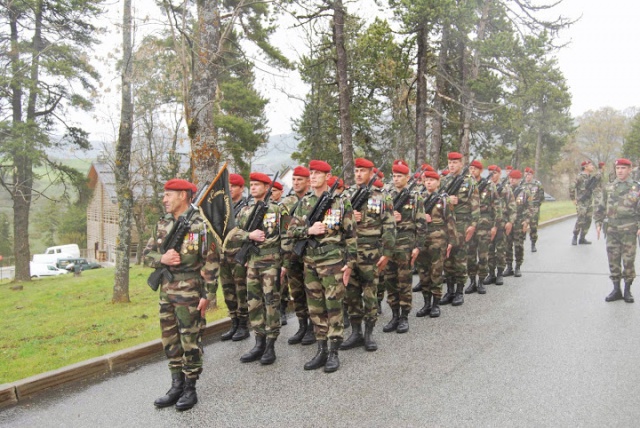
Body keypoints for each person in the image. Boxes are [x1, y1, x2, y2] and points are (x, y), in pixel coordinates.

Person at [144, 178, 219, 411]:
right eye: (164, 194)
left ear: (183, 196)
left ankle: (190, 387)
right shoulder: (163, 223)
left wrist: (208, 295)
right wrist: (161, 259)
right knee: (170, 339)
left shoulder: (200, 226)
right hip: (166, 290)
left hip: (190, 290)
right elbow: (147, 254)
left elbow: (211, 262)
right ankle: (175, 384)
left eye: (169, 195)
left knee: (190, 339)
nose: (164, 199)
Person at [287, 160, 357, 372]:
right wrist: (309, 231)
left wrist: (350, 263)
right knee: (316, 307)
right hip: (310, 262)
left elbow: (351, 235)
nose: (314, 176)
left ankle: (334, 352)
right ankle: (321, 350)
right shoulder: (303, 203)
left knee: (333, 305)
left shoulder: (341, 202)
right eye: (312, 173)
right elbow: (291, 231)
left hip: (333, 262)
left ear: (328, 177)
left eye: (318, 174)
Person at [225, 172, 289, 365]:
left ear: (266, 187)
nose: (252, 188)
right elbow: (234, 234)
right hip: (252, 263)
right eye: (251, 184)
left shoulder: (279, 209)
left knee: (271, 303)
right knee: (254, 304)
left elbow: (287, 236)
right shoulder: (245, 210)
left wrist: (285, 264)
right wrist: (249, 236)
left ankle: (270, 345)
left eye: (256, 185)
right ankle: (258, 342)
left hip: (271, 262)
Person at [341, 158, 395, 352]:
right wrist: (348, 218)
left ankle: (369, 333)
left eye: (362, 171)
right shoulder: (345, 195)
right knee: (351, 294)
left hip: (371, 251)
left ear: (371, 173)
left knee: (370, 293)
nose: (358, 174)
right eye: (356, 171)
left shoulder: (382, 197)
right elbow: (333, 222)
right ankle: (355, 332)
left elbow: (389, 225)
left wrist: (387, 252)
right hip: (350, 251)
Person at [382, 160, 426, 333]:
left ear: (407, 177)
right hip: (389, 246)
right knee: (390, 282)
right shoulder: (386, 196)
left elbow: (422, 223)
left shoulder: (415, 197)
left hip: (406, 245)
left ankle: (404, 317)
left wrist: (418, 246)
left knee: (404, 282)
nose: (396, 179)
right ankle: (394, 315)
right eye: (394, 176)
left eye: (400, 176)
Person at [595, 158, 640, 303]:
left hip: (629, 229)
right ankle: (616, 289)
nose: (620, 171)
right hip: (612, 230)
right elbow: (601, 206)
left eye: (623, 168)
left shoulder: (636, 187)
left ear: (629, 169)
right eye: (618, 168)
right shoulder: (608, 187)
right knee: (613, 260)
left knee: (628, 260)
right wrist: (598, 222)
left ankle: (627, 290)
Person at [280, 166, 315, 345]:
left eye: (300, 180)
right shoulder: (286, 203)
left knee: (312, 291)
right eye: (294, 180)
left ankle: (312, 327)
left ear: (308, 182)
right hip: (292, 252)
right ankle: (302, 325)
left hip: (311, 251)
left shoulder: (314, 200)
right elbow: (285, 231)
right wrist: (285, 257)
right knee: (297, 291)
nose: (296, 183)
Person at [439, 152, 479, 307]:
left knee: (460, 258)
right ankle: (449, 291)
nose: (452, 165)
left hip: (462, 223)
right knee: (447, 258)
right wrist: (446, 200)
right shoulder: (444, 180)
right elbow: (436, 198)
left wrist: (473, 225)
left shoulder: (469, 181)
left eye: (455, 162)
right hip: (446, 223)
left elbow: (475, 203)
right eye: (450, 162)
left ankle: (459, 292)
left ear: (461, 164)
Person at [416, 170, 455, 317]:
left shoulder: (444, 200)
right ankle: (426, 303)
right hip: (422, 240)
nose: (429, 182)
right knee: (423, 273)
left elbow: (451, 221)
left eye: (432, 180)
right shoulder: (418, 198)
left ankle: (435, 304)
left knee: (436, 273)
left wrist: (451, 241)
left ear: (438, 182)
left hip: (438, 241)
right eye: (427, 180)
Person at [219, 173, 250, 342]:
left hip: (238, 254)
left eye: (233, 186)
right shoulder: (224, 208)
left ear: (241, 188)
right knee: (228, 291)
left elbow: (247, 231)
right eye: (228, 186)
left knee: (241, 291)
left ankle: (244, 325)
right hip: (224, 255)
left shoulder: (247, 207)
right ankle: (234, 322)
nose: (230, 189)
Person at [465, 160, 502, 295]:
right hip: (469, 224)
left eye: (475, 169)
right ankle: (472, 282)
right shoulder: (465, 184)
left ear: (480, 171)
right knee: (470, 255)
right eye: (470, 168)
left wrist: (495, 226)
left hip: (484, 225)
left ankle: (481, 281)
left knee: (483, 254)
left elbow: (497, 206)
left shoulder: (489, 185)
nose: (472, 171)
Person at [486, 165, 515, 286]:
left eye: (494, 173)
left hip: (502, 222)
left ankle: (499, 273)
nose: (492, 175)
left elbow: (512, 206)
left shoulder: (506, 188)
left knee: (500, 249)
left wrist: (510, 222)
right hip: (488, 223)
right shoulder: (486, 187)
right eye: (490, 173)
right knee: (489, 249)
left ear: (499, 174)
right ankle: (491, 273)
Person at [503, 170, 533, 277]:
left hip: (519, 221)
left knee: (518, 245)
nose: (512, 180)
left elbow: (530, 207)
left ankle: (518, 267)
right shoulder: (505, 189)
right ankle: (509, 266)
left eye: (514, 178)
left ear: (519, 179)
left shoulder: (525, 191)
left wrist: (526, 221)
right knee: (507, 244)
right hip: (508, 221)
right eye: (510, 178)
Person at [570, 160, 597, 245]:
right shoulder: (580, 177)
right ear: (585, 167)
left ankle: (582, 238)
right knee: (581, 219)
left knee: (588, 220)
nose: (592, 166)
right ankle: (575, 236)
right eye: (590, 165)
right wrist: (573, 198)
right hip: (582, 201)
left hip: (589, 201)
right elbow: (572, 187)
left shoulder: (591, 177)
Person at [522, 167, 544, 252]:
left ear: (532, 175)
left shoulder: (537, 184)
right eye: (526, 174)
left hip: (534, 208)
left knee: (533, 226)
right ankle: (521, 243)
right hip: (523, 208)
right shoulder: (521, 183)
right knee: (522, 226)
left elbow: (541, 195)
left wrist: (537, 205)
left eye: (529, 174)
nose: (527, 176)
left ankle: (533, 243)